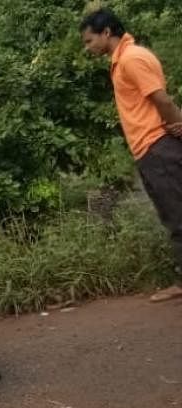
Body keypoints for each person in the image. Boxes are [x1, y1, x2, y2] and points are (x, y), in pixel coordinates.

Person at [81, 9, 182, 303]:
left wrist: (176, 126)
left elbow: (160, 98)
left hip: (157, 145)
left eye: (89, 41)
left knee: (178, 216)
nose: (88, 48)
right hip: (151, 148)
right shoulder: (123, 60)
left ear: (107, 33)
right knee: (172, 214)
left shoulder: (131, 58)